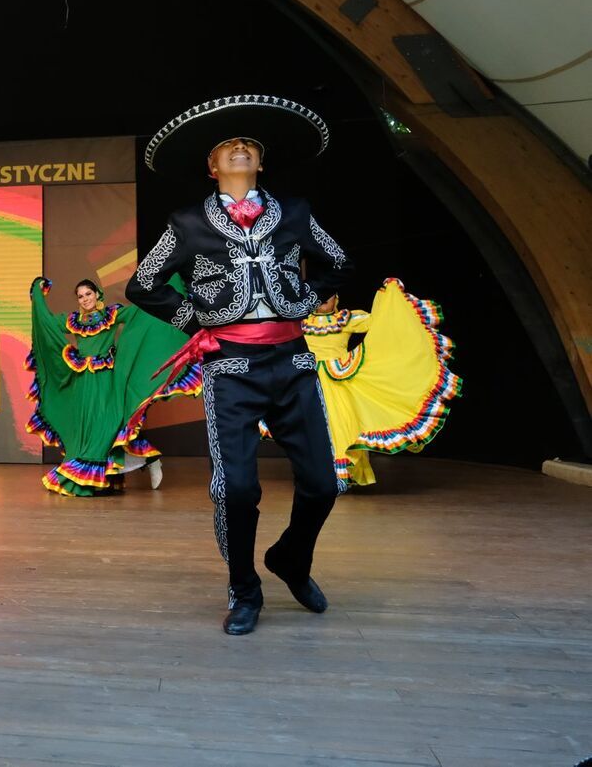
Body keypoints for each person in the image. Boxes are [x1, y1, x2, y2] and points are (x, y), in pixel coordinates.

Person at [127, 95, 352, 635]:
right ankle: (244, 589)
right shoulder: (186, 223)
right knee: (237, 489)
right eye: (228, 145)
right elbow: (142, 284)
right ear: (211, 166)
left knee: (324, 483)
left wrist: (304, 297)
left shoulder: (294, 212)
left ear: (261, 161)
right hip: (229, 365)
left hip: (293, 360)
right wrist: (195, 322)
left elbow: (336, 259)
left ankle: (291, 560)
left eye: (249, 144)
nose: (240, 149)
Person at [26, 276, 199, 496]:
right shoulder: (72, 320)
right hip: (83, 382)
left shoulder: (111, 314)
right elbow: (47, 324)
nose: (85, 299)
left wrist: (166, 286)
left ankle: (146, 460)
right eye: (80, 296)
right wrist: (38, 298)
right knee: (90, 428)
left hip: (107, 379)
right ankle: (143, 460)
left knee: (108, 425)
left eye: (88, 293)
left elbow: (141, 313)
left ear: (97, 293)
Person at [299, 280, 462, 487]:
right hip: (309, 382)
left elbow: (381, 322)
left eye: (327, 295)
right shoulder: (300, 322)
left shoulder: (346, 319)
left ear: (336, 298)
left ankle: (341, 474)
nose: (322, 300)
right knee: (311, 428)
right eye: (318, 295)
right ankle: (315, 474)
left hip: (339, 383)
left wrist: (390, 298)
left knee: (343, 427)